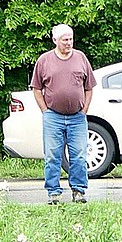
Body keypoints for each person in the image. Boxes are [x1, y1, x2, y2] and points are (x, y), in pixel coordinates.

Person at [31, 24, 96, 204]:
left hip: (77, 117)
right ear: (55, 41)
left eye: (71, 39)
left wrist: (84, 110)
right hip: (53, 116)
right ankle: (53, 192)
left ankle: (79, 191)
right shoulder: (44, 60)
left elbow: (89, 87)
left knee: (79, 156)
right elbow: (36, 88)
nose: (69, 43)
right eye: (65, 40)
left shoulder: (81, 58)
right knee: (52, 155)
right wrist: (45, 111)